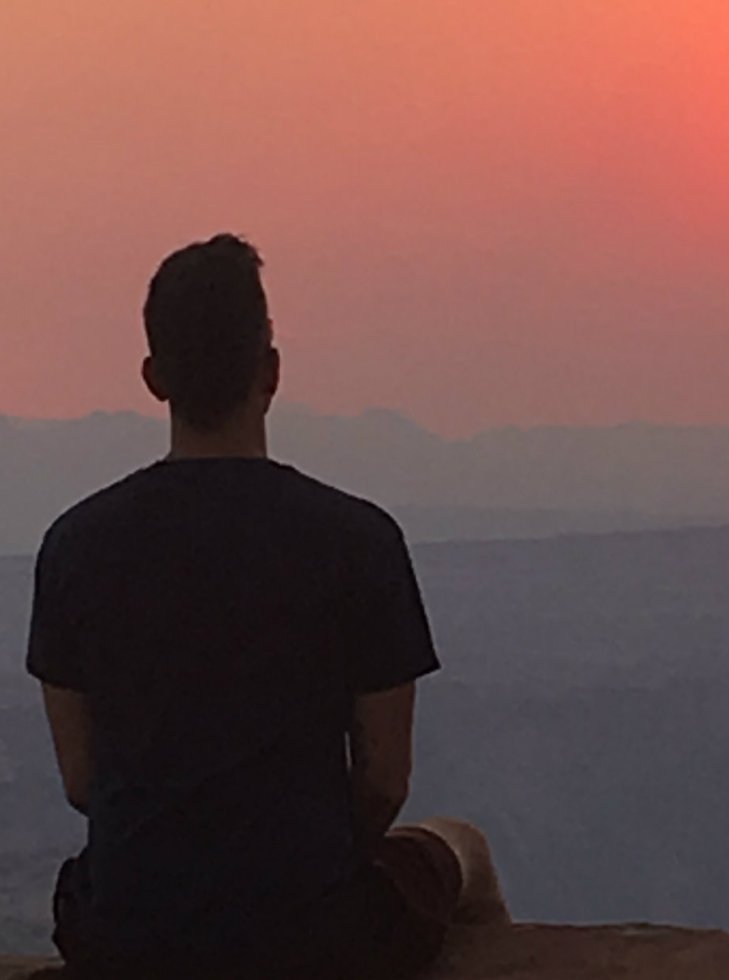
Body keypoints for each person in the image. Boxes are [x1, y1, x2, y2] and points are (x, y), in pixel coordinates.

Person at [25, 233, 509, 979]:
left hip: (127, 930)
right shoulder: (358, 539)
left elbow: (84, 781)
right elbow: (384, 781)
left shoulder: (74, 545)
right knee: (463, 846)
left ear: (154, 378)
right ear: (271, 370)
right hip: (312, 934)